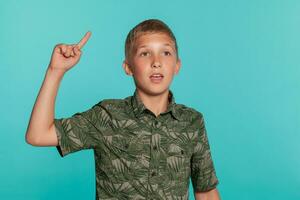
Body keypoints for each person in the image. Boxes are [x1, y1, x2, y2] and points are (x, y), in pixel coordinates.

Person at [25, 19, 220, 200]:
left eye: (166, 52)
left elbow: (206, 191)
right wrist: (55, 71)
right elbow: (38, 135)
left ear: (177, 65)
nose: (156, 61)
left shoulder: (192, 121)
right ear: (128, 67)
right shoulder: (107, 115)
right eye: (145, 53)